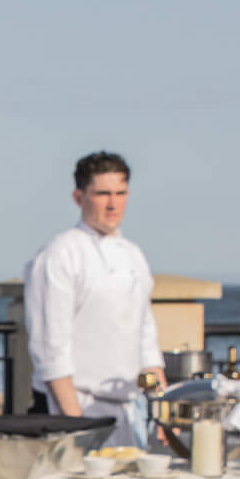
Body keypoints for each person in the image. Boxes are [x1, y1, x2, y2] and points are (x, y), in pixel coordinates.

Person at [23, 151, 164, 448]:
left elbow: (145, 334)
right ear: (78, 197)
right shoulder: (60, 254)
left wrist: (162, 411)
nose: (113, 204)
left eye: (120, 193)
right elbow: (51, 349)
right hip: (76, 408)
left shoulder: (134, 254)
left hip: (131, 409)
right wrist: (78, 427)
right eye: (102, 194)